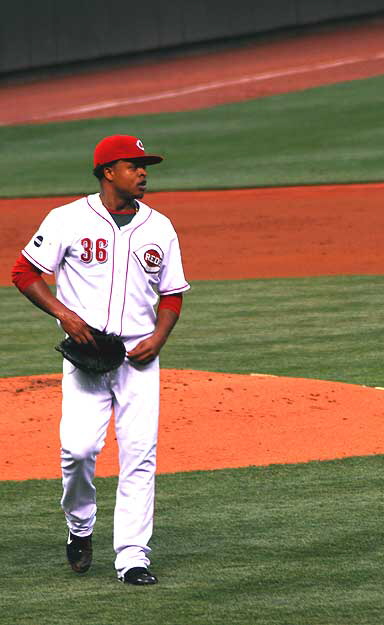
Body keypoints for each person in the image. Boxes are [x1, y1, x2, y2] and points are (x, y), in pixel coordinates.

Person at [11, 135, 190, 584]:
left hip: (139, 358)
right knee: (78, 450)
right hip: (87, 356)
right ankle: (79, 525)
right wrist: (65, 315)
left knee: (139, 455)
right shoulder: (68, 219)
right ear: (108, 171)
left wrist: (160, 336)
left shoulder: (159, 227)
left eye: (145, 166)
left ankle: (133, 556)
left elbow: (171, 293)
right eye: (134, 165)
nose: (144, 172)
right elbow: (23, 271)